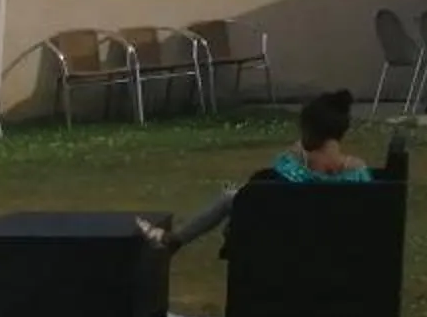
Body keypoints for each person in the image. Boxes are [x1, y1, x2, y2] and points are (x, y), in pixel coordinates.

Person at [150, 90, 384, 253]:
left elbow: (266, 181)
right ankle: (176, 240)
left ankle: (176, 240)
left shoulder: (291, 172)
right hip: (340, 251)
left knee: (233, 196)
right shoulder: (358, 173)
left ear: (308, 131)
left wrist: (294, 153)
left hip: (292, 248)